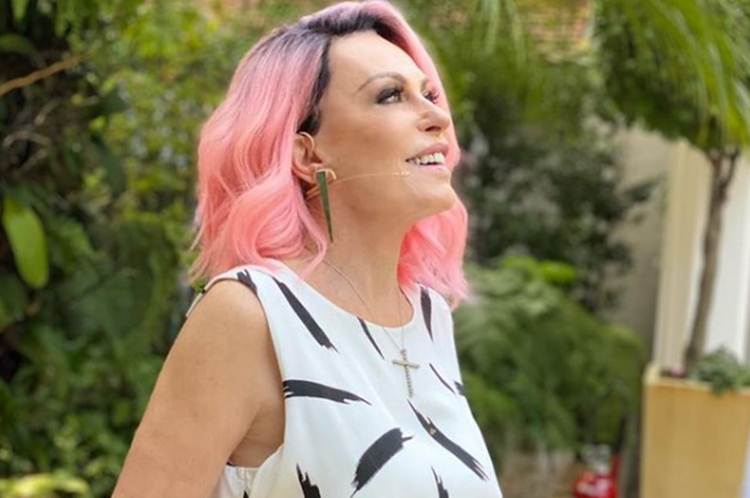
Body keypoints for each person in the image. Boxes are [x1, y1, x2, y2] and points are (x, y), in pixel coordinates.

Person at [111, 1, 504, 497]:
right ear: (307, 153)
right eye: (390, 95)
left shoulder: (429, 317)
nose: (437, 116)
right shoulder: (252, 314)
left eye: (428, 94)